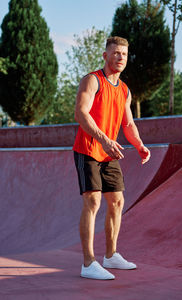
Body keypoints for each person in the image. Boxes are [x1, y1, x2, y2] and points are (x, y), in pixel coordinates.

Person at [73, 36, 151, 280]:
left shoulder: (125, 90)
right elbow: (80, 113)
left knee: (117, 201)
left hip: (108, 153)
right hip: (87, 149)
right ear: (105, 55)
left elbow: (127, 122)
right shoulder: (93, 80)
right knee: (93, 202)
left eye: (124, 54)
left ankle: (111, 255)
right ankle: (88, 263)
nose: (120, 57)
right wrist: (105, 139)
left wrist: (139, 144)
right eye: (115, 53)